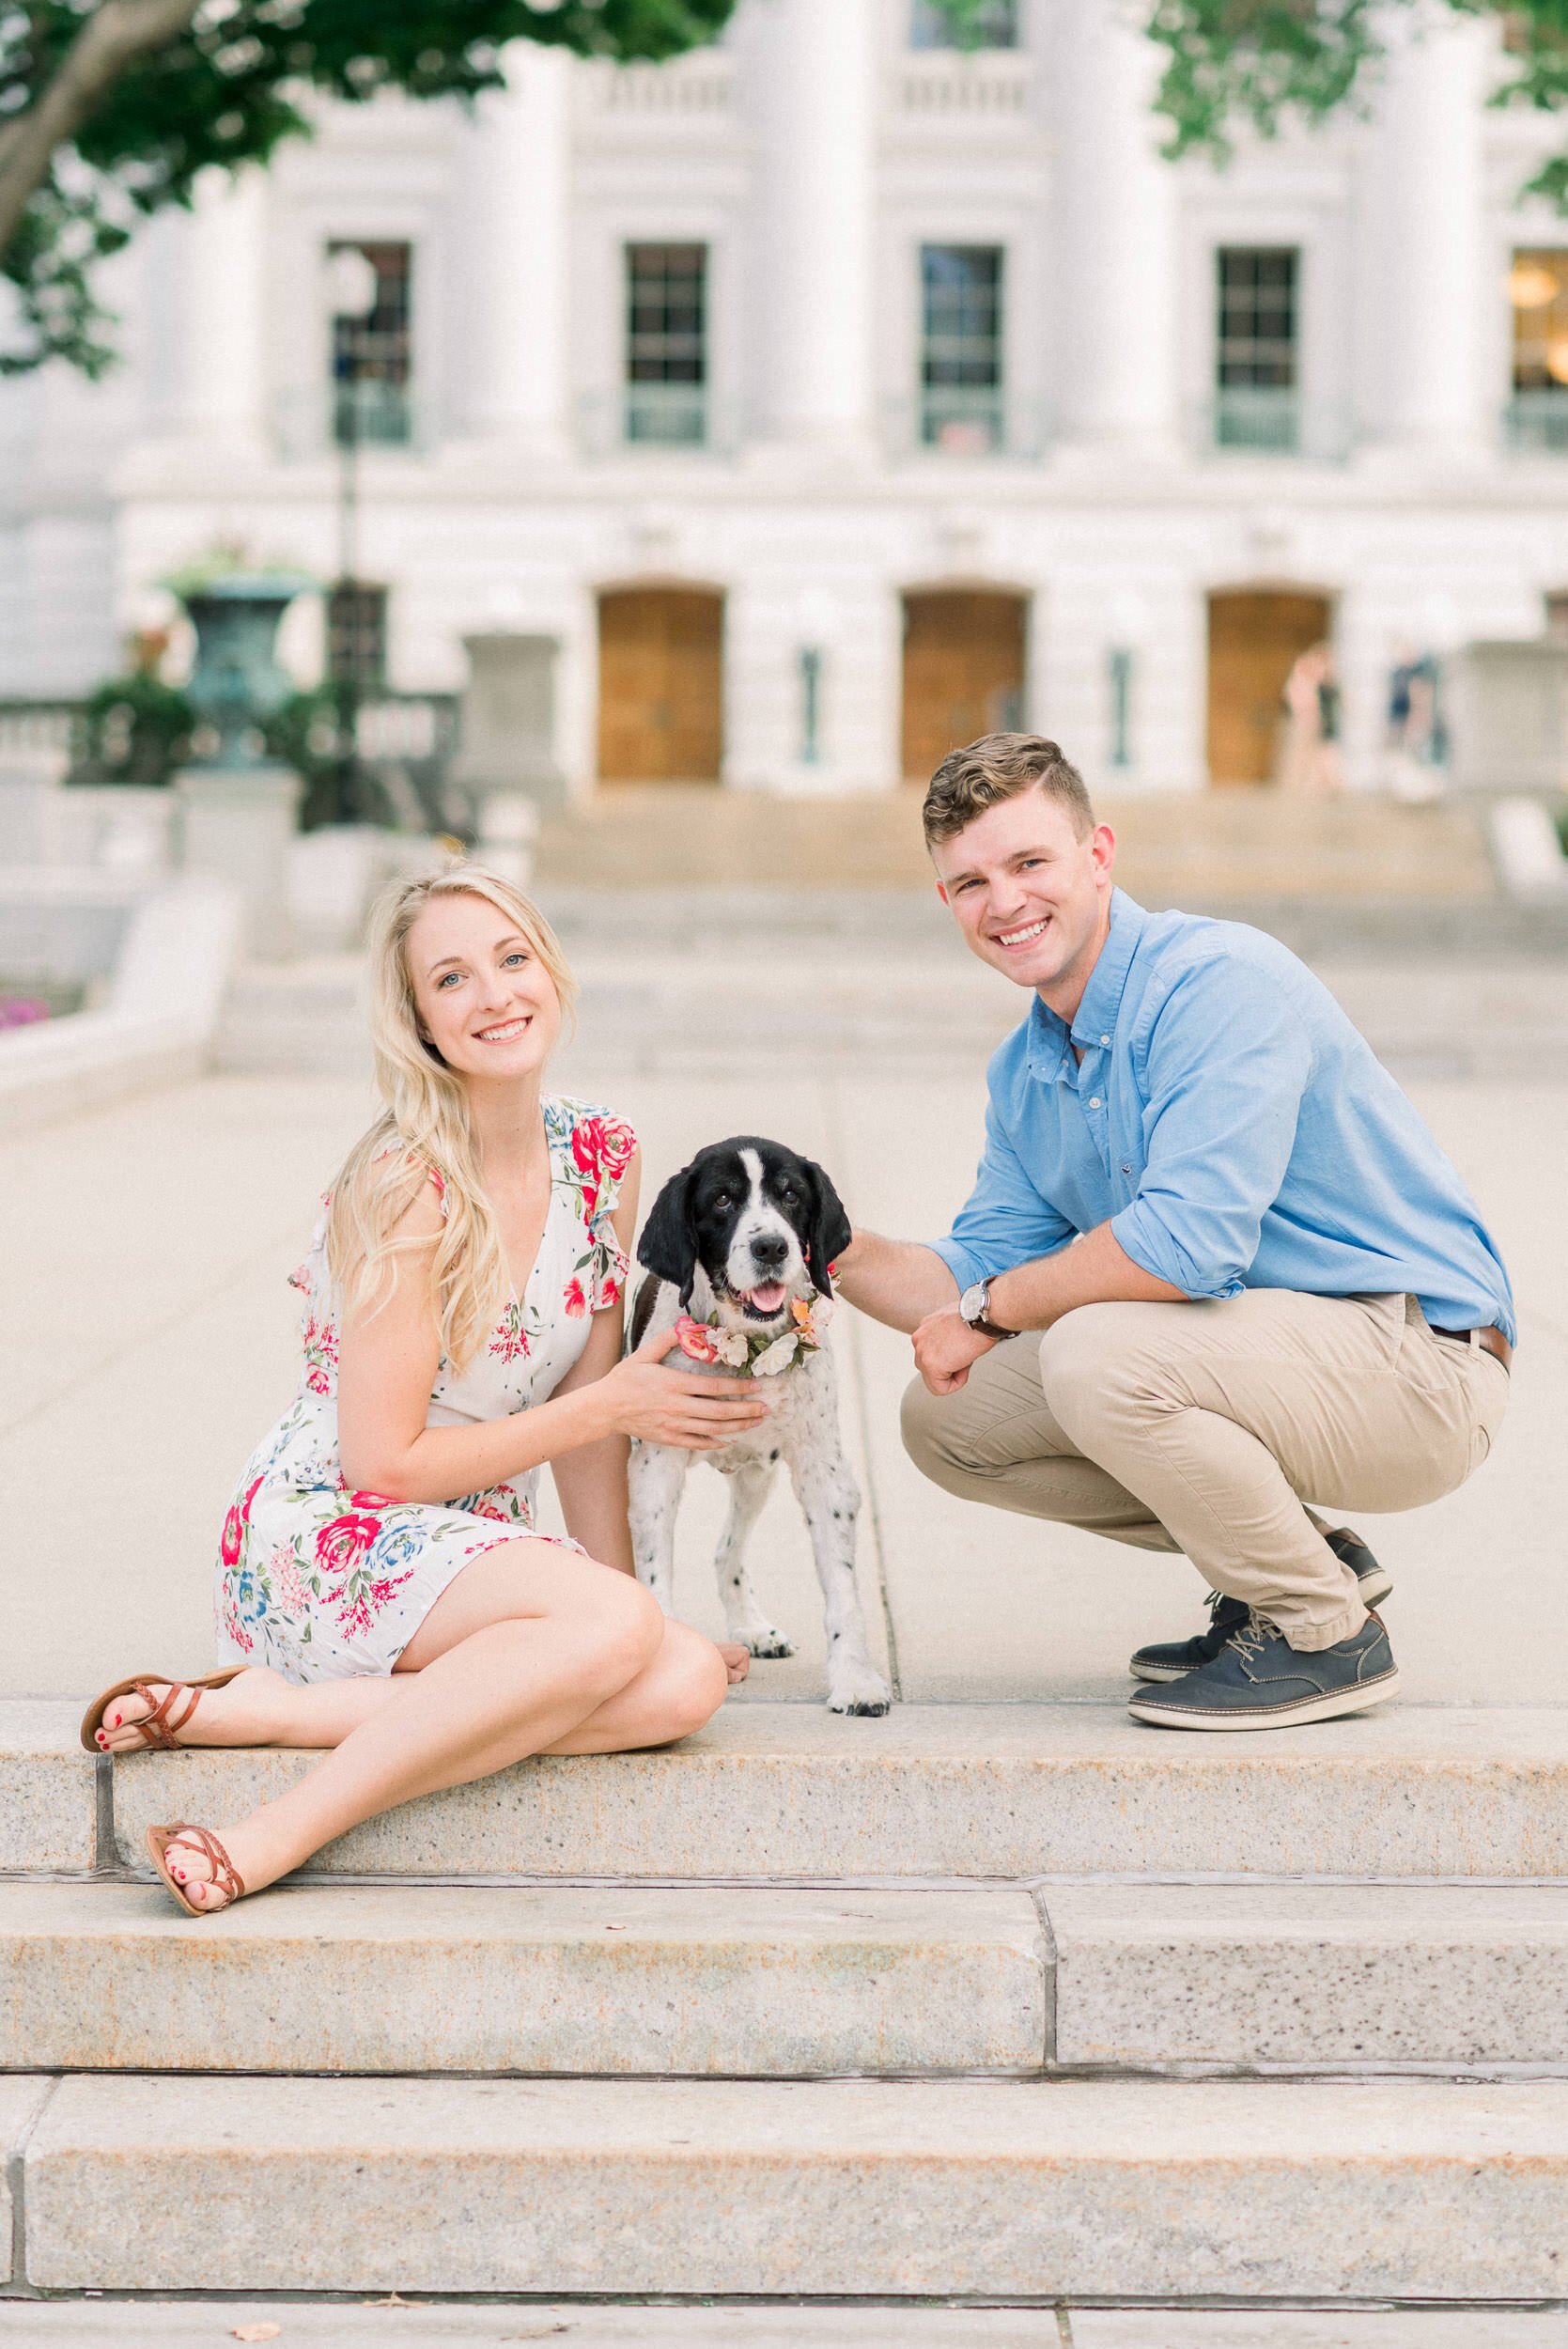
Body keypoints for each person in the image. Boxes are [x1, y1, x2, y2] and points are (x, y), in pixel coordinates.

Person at [82, 863, 768, 1912]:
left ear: (549, 971)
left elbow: (588, 1418)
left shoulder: (598, 1151)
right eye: (452, 979)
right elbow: (386, 1463)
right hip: (336, 1528)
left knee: (682, 1678)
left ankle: (278, 1709)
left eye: (511, 959)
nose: (494, 995)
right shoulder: (409, 1185)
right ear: (421, 1024)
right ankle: (275, 1833)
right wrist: (609, 1433)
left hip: (474, 1542)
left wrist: (632, 1608)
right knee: (624, 1639)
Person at [833, 735, 1514, 1730]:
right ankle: (1297, 1559)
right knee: (948, 1420)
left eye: (1030, 863)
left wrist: (990, 1307)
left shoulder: (1217, 983)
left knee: (1095, 1350)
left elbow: (1187, 1245)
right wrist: (817, 1241)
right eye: (970, 881)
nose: (1005, 902)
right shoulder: (1025, 1074)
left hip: (1420, 1365)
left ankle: (1323, 1636)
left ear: (1098, 854)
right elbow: (967, 1276)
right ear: (948, 904)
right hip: (1268, 1360)